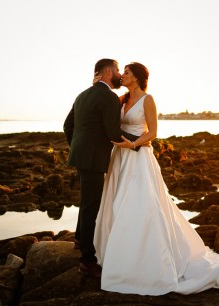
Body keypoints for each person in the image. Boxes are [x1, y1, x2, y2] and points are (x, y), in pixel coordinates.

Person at [93, 62, 219, 295]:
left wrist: (135, 144)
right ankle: (119, 254)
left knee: (141, 205)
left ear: (137, 78)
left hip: (138, 157)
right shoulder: (120, 100)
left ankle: (148, 260)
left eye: (126, 72)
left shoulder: (148, 100)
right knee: (116, 203)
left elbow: (153, 132)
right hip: (120, 157)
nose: (122, 75)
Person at [63, 59, 140, 278]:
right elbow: (113, 133)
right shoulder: (109, 97)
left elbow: (67, 126)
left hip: (80, 157)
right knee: (91, 205)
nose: (118, 74)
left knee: (86, 200)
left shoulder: (82, 95)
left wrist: (78, 147)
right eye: (116, 70)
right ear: (107, 72)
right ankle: (87, 260)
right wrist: (141, 142)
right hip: (94, 159)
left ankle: (79, 238)